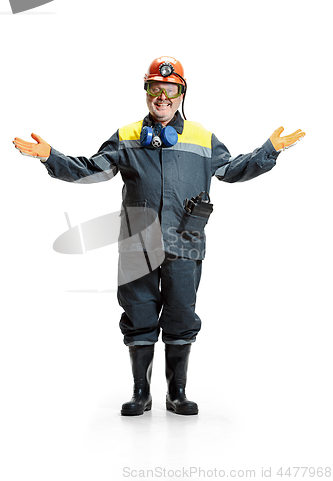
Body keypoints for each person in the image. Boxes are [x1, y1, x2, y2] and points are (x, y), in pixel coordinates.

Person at [13, 56, 306, 417]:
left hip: (186, 243)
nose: (162, 96)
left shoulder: (201, 136)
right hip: (138, 245)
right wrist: (51, 157)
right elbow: (92, 171)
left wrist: (268, 151)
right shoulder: (126, 136)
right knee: (138, 315)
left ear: (181, 93)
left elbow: (231, 170)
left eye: (170, 89)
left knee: (182, 316)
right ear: (147, 91)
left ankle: (176, 393)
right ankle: (141, 393)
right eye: (155, 88)